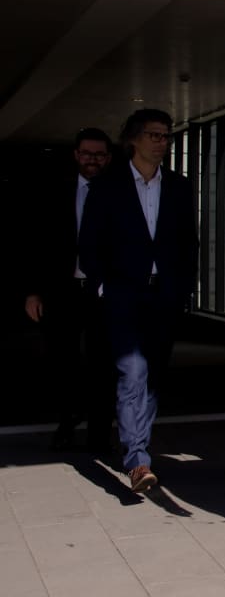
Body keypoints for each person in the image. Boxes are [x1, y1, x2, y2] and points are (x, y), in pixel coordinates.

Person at [79, 109, 199, 492]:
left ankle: (138, 448)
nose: (162, 142)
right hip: (122, 295)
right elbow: (89, 242)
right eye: (154, 135)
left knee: (152, 379)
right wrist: (102, 286)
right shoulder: (107, 186)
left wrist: (182, 289)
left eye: (166, 136)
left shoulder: (179, 187)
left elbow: (188, 244)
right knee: (132, 373)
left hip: (162, 295)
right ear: (134, 139)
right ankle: (137, 459)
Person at [24, 127, 115, 453]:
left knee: (103, 362)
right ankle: (67, 419)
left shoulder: (119, 192)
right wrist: (34, 291)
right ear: (76, 155)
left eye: (99, 154)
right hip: (63, 290)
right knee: (63, 359)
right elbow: (37, 243)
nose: (93, 160)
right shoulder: (55, 192)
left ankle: (100, 431)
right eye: (87, 154)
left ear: (108, 157)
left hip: (103, 292)